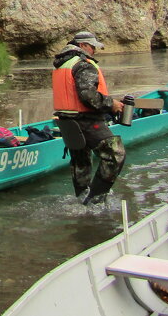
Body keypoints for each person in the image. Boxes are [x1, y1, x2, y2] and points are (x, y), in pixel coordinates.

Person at [51, 31, 126, 206]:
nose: (94, 51)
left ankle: (82, 200)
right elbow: (88, 96)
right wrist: (111, 104)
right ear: (83, 45)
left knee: (81, 162)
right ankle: (96, 200)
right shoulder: (83, 64)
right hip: (86, 120)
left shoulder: (62, 63)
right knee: (116, 154)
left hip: (67, 121)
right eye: (92, 47)